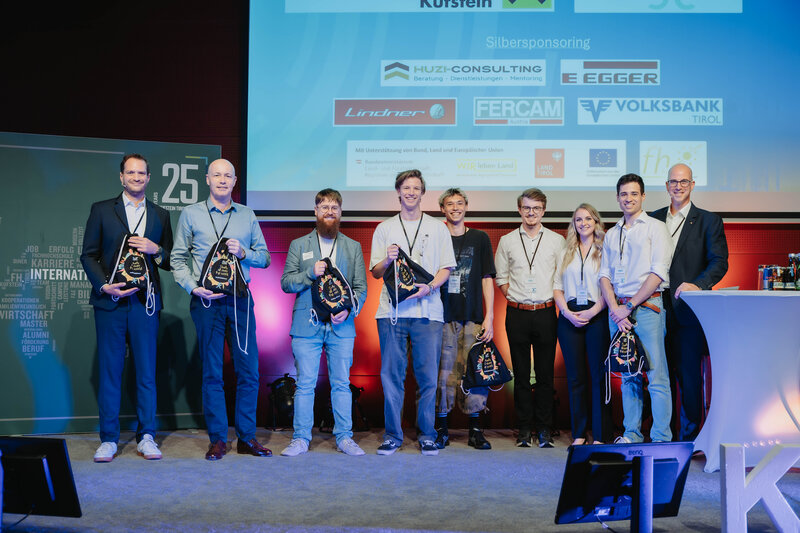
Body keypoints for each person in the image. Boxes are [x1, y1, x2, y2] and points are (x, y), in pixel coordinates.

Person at [171, 158, 272, 460]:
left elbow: (265, 257)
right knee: (212, 373)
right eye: (217, 175)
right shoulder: (191, 214)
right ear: (207, 179)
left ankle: (247, 438)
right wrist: (192, 286)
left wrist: (245, 252)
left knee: (248, 372)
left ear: (235, 180)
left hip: (240, 301)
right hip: (206, 302)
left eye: (228, 175)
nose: (223, 180)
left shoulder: (247, 215)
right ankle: (218, 438)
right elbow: (177, 259)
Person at [80, 153, 173, 463]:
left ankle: (147, 436)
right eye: (130, 172)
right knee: (110, 372)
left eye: (141, 173)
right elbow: (88, 255)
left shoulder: (160, 215)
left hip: (145, 305)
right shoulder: (102, 210)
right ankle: (108, 438)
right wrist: (103, 285)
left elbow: (171, 260)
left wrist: (156, 249)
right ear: (121, 177)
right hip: (111, 301)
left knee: (147, 372)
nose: (136, 177)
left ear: (148, 178)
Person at [369, 169, 456, 456]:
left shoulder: (438, 227)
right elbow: (377, 271)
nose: (411, 192)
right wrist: (387, 258)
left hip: (428, 311)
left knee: (428, 377)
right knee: (391, 376)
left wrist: (429, 287)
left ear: (422, 193)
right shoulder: (384, 228)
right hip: (391, 312)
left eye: (416, 188)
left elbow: (447, 267)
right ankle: (392, 435)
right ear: (398, 191)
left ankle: (427, 435)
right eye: (406, 187)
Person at [279, 189, 368, 457]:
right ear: (316, 211)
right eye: (324, 206)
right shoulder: (299, 245)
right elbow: (286, 283)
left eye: (334, 207)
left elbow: (361, 288)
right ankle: (300, 439)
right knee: (305, 384)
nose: (329, 211)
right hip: (307, 325)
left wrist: (350, 310)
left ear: (341, 212)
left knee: (341, 383)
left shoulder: (353, 247)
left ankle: (345, 437)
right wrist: (309, 272)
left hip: (341, 327)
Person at [651, 163, 728, 442]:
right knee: (659, 376)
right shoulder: (652, 218)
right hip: (653, 307)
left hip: (688, 309)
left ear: (692, 185)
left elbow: (719, 262)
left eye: (684, 182)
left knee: (689, 376)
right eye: (673, 181)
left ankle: (690, 437)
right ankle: (663, 435)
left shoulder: (708, 221)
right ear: (667, 185)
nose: (678, 186)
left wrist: (699, 284)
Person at [599, 174, 673, 444]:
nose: (628, 199)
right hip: (618, 312)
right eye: (623, 194)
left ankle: (661, 438)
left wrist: (629, 306)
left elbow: (658, 273)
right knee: (628, 375)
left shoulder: (656, 228)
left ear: (643, 197)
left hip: (647, 308)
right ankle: (632, 434)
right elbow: (604, 276)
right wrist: (616, 308)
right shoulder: (612, 233)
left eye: (633, 194)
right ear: (617, 198)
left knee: (655, 376)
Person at [495, 188, 565, 448]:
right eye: (526, 208)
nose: (531, 212)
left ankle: (545, 429)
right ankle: (524, 429)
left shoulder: (557, 241)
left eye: (536, 208)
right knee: (521, 376)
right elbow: (501, 277)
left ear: (543, 210)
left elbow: (561, 277)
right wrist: (513, 295)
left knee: (545, 376)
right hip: (517, 313)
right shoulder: (507, 240)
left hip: (547, 312)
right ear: (519, 210)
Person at [434, 188, 496, 450]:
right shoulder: (436, 237)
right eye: (450, 204)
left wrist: (490, 317)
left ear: (466, 206)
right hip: (442, 317)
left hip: (473, 318)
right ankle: (441, 429)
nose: (455, 207)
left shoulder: (480, 239)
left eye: (460, 203)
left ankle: (475, 430)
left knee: (475, 374)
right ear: (443, 209)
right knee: (443, 375)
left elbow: (487, 279)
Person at [553, 204, 612, 445]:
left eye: (588, 218)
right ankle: (579, 434)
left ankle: (600, 435)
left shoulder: (605, 249)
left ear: (596, 222)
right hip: (569, 316)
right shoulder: (565, 251)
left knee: (598, 377)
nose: (583, 223)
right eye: (578, 219)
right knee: (575, 378)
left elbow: (610, 287)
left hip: (596, 313)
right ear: (573, 224)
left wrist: (594, 310)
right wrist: (566, 312)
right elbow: (557, 286)